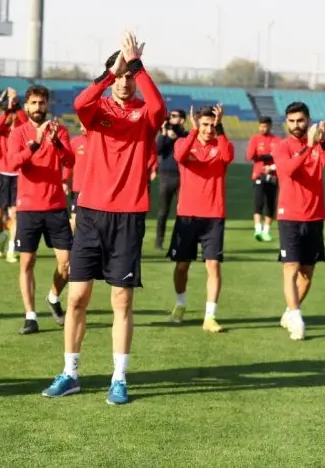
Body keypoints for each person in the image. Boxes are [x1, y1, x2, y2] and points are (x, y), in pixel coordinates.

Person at [42, 31, 166, 405]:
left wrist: (138, 65)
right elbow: (80, 102)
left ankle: (119, 378)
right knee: (77, 297)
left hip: (128, 215)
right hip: (91, 214)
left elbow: (159, 108)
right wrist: (110, 72)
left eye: (130, 76)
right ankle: (70, 373)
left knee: (122, 302)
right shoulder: (97, 111)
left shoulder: (145, 113)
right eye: (120, 75)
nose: (125, 82)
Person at [8, 85, 75, 334]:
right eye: (34, 103)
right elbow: (13, 163)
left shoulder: (60, 130)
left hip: (55, 206)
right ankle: (30, 316)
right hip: (28, 208)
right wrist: (34, 145)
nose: (38, 107)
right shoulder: (18, 133)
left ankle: (53, 297)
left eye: (42, 102)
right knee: (27, 261)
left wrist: (56, 142)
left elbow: (70, 160)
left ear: (47, 105)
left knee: (67, 264)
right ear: (26, 106)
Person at [272, 102, 325, 341]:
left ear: (308, 121)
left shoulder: (319, 145)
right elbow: (288, 170)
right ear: (286, 123)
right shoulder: (282, 147)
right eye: (291, 121)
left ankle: (290, 312)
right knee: (290, 267)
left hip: (314, 216)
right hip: (289, 216)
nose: (296, 125)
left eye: (300, 120)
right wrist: (309, 146)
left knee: (307, 273)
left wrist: (323, 141)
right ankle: (297, 319)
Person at [167, 105, 234, 332]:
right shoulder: (183, 143)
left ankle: (210, 317)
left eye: (212, 125)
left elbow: (228, 156)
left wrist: (220, 128)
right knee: (182, 266)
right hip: (187, 216)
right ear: (197, 123)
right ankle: (180, 304)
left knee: (213, 265)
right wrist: (194, 131)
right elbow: (179, 155)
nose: (209, 129)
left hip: (214, 216)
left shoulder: (222, 145)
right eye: (205, 124)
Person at [0, 87, 26, 261]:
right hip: (1, 175)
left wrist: (15, 104)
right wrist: (2, 102)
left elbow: (25, 120)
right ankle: (2, 236)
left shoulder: (21, 131)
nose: (12, 117)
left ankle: (11, 249)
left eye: (13, 114)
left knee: (15, 215)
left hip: (17, 176)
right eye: (9, 114)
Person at [154, 109, 187, 250]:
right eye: (170, 116)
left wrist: (176, 137)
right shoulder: (165, 134)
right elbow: (157, 150)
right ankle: (159, 242)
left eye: (174, 116)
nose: (171, 118)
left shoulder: (185, 135)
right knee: (163, 211)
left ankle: (180, 242)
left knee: (183, 211)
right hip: (166, 177)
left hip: (182, 177)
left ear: (182, 120)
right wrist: (163, 134)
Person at [246, 116, 280, 242]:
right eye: (261, 126)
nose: (262, 129)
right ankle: (258, 229)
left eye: (265, 126)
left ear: (270, 126)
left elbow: (279, 157)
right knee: (258, 202)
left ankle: (266, 231)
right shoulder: (255, 139)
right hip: (259, 175)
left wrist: (270, 164)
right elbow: (250, 155)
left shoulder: (277, 140)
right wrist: (268, 155)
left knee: (271, 204)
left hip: (273, 175)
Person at [67, 124, 88, 233]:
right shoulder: (75, 142)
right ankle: (69, 242)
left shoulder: (99, 142)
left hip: (96, 188)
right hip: (78, 188)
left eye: (84, 125)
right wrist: (65, 180)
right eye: (80, 125)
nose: (81, 128)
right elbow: (68, 163)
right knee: (75, 217)